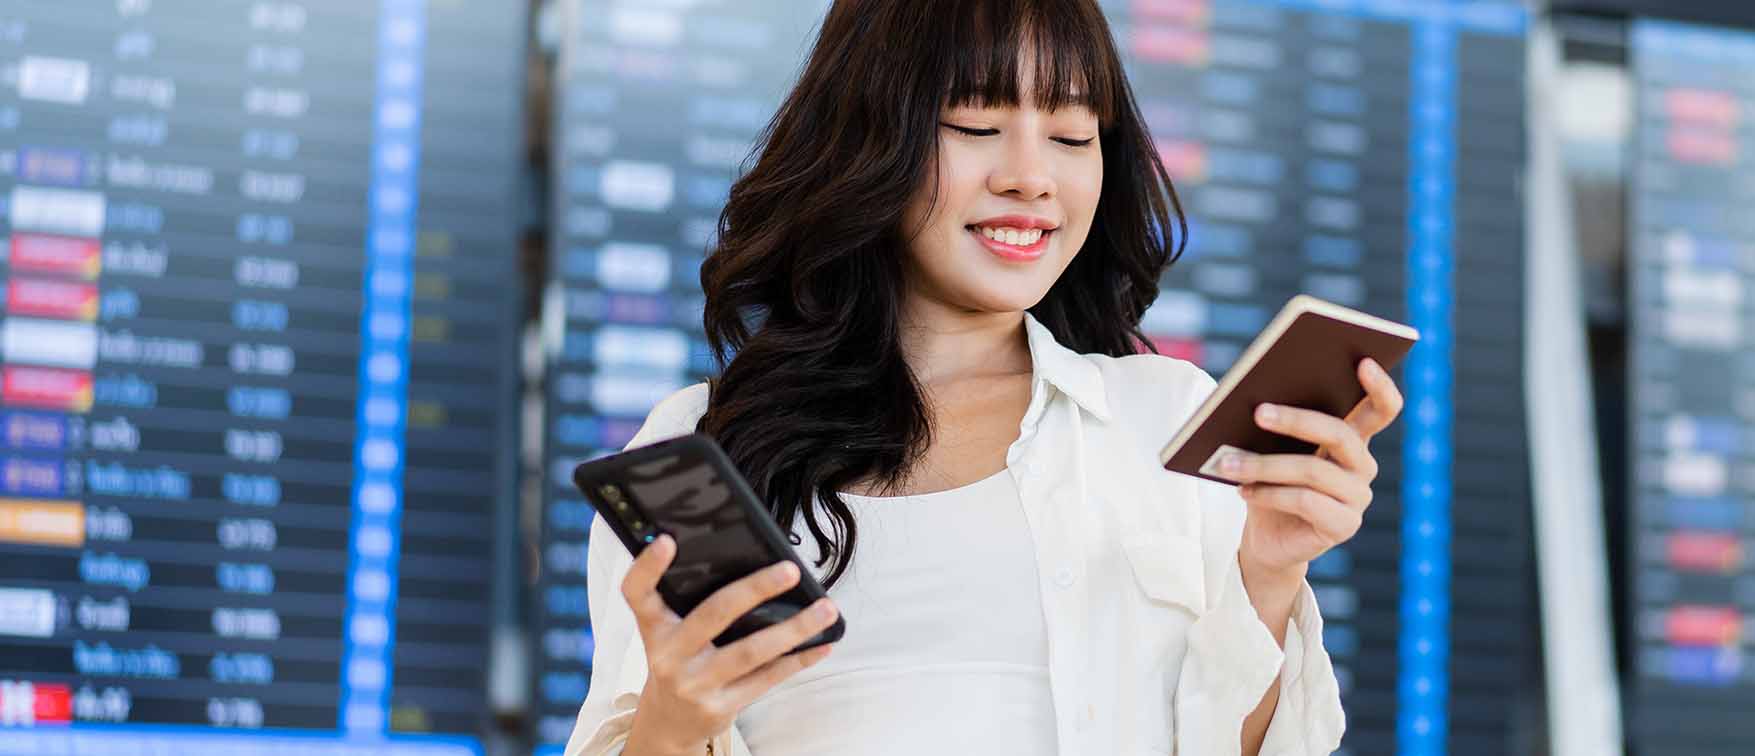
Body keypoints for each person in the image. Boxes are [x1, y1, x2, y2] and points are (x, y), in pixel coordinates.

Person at [565, 1, 1403, 754]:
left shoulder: (1168, 425)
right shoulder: (707, 450)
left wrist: (1271, 568)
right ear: (866, 137)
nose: (1031, 176)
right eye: (974, 124)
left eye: (1074, 137)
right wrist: (672, 725)